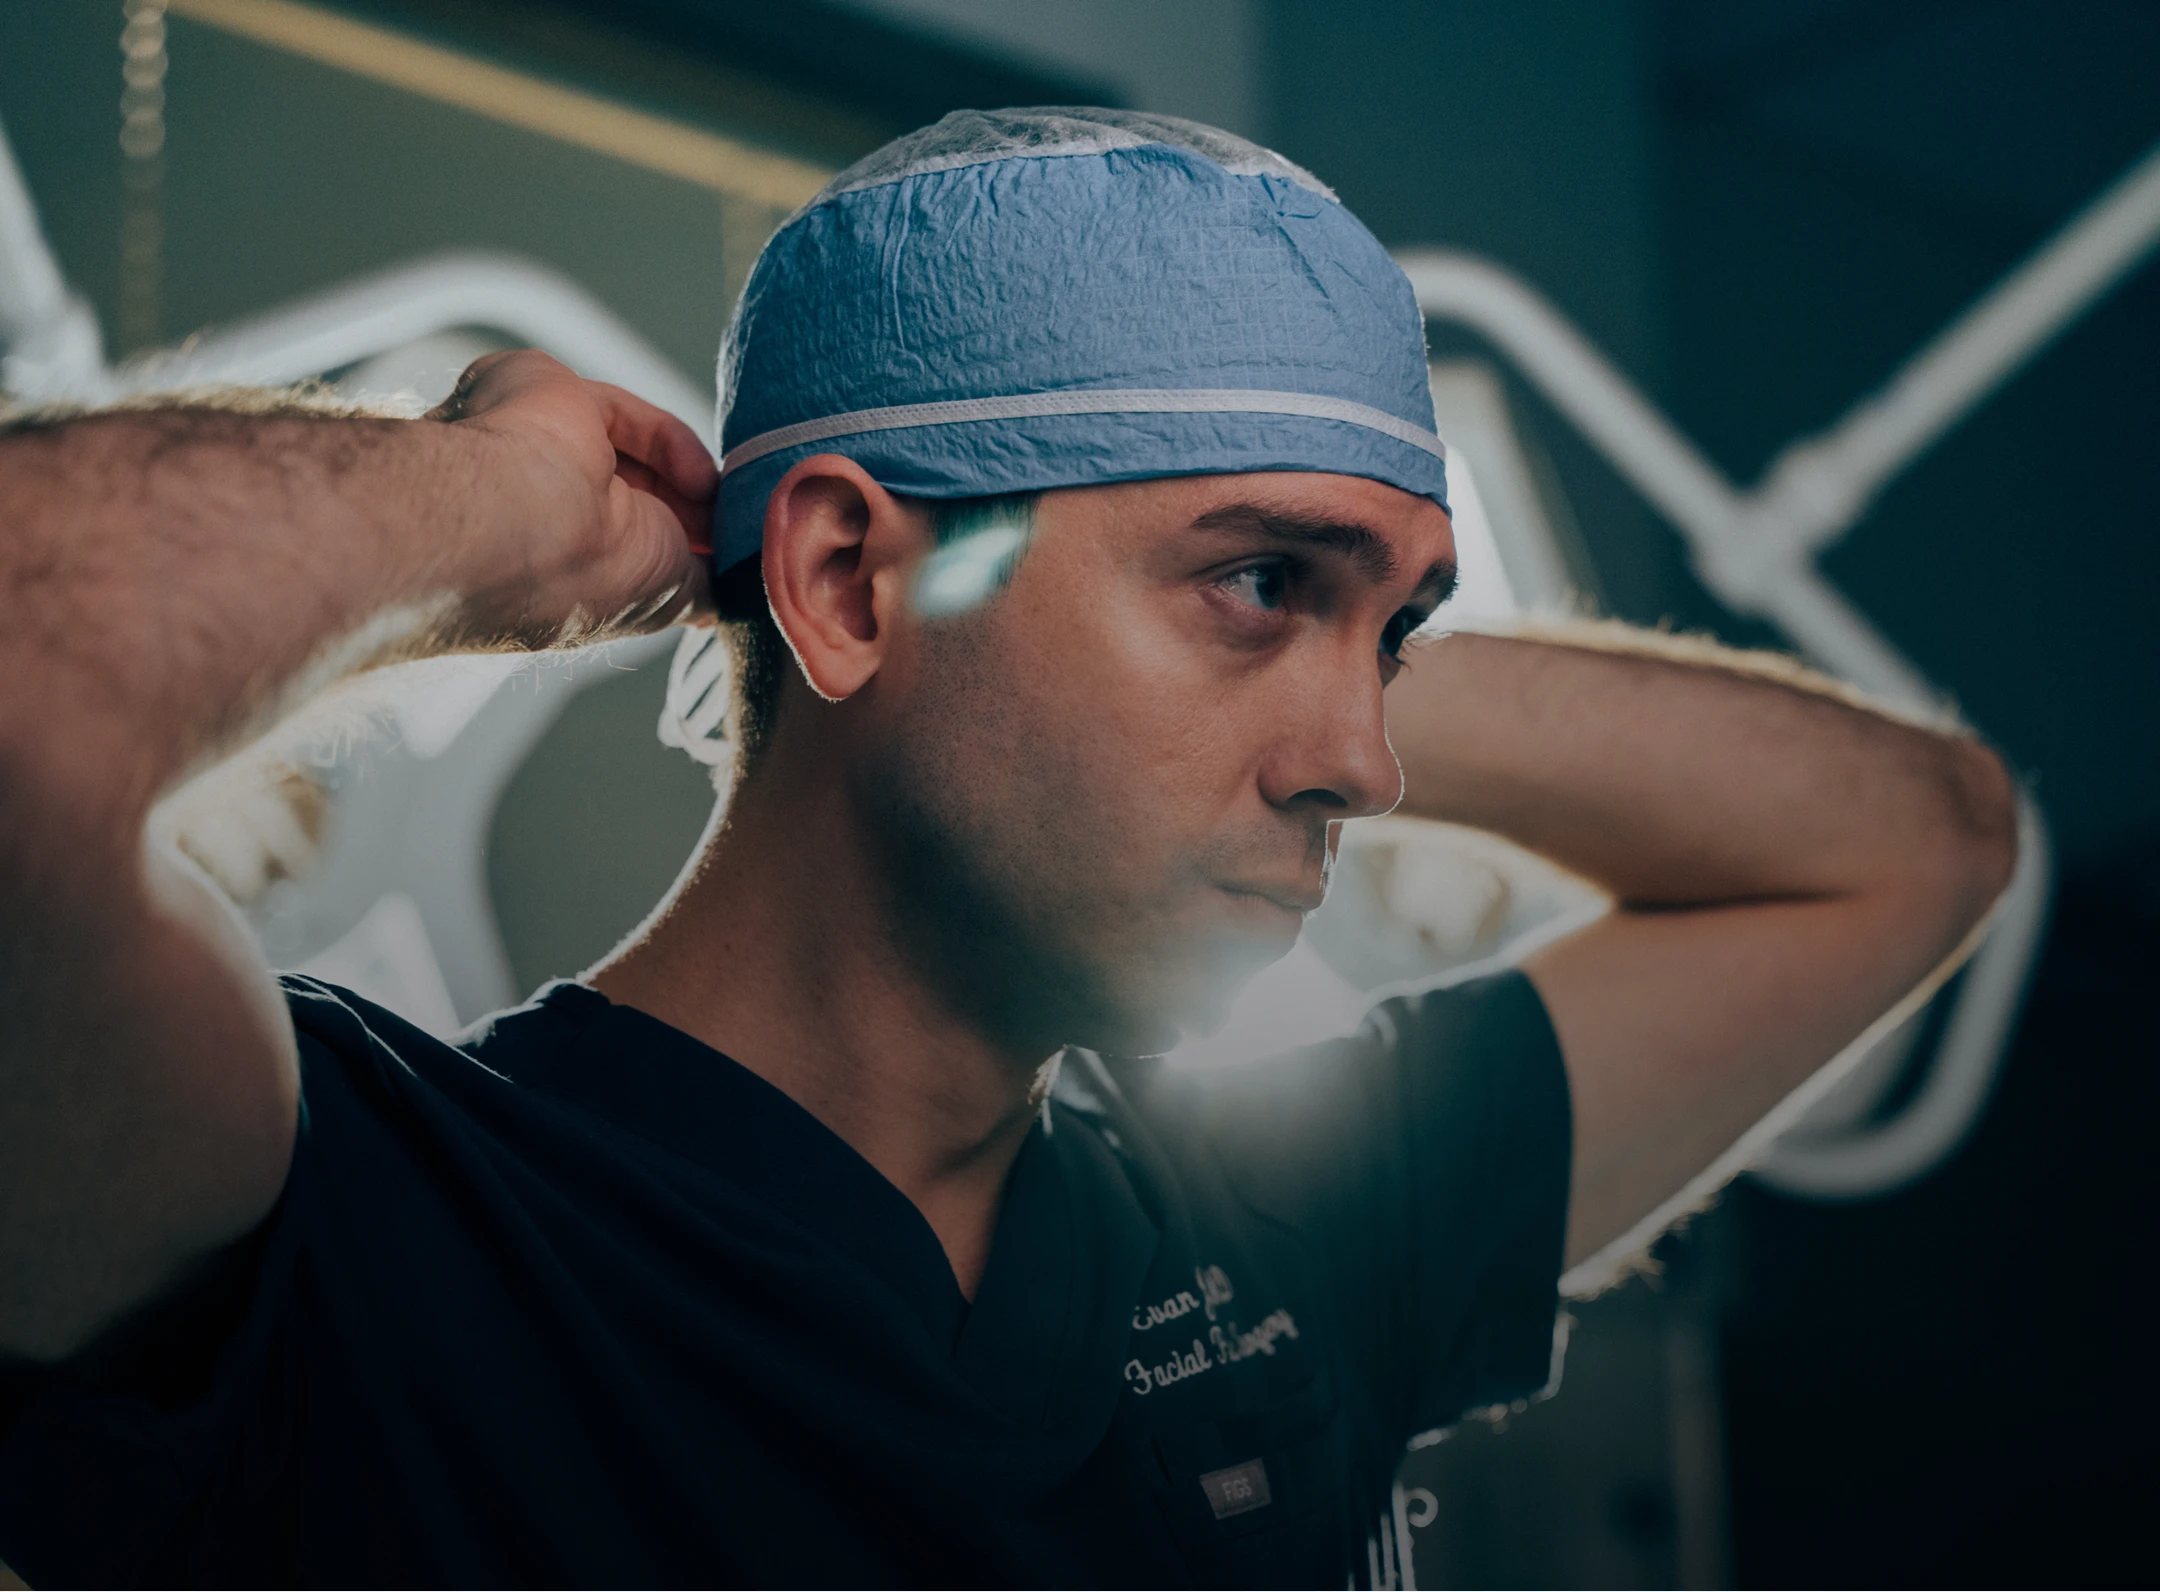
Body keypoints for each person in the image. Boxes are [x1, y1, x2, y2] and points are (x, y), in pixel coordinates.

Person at [0, 109, 2013, 1587]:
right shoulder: (340, 1224)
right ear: (856, 582)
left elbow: (1915, 840)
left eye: (1391, 630)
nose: (1371, 768)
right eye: (1252, 581)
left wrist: (1292, 654)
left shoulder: (1273, 1241)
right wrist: (493, 510)